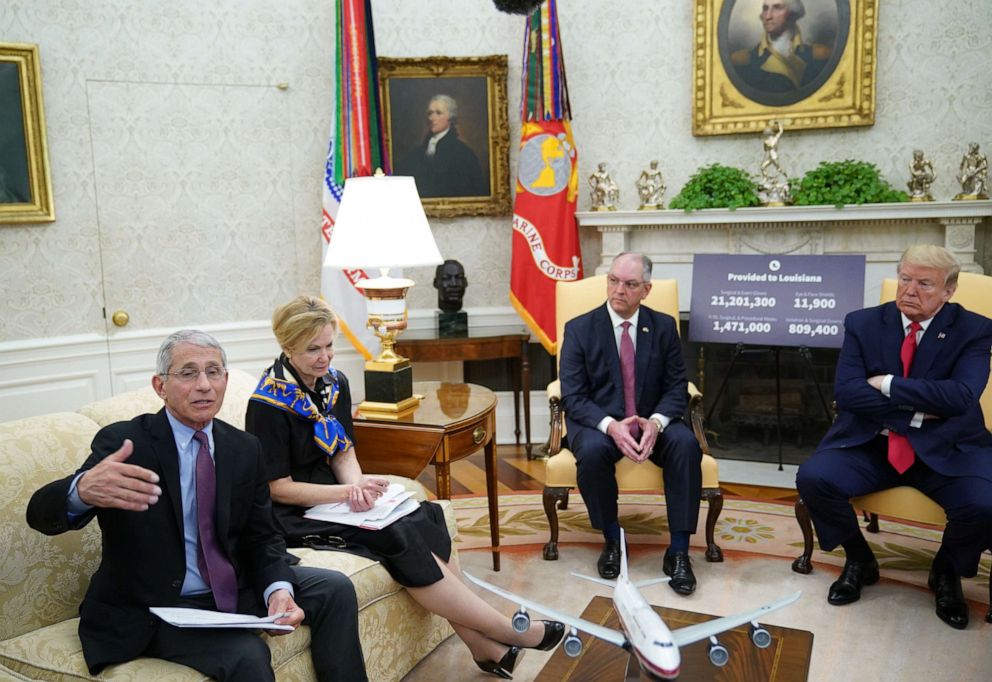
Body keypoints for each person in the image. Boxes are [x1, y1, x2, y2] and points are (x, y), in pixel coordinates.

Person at [244, 296, 564, 679]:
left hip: (335, 499)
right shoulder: (267, 404)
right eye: (313, 349)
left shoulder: (334, 383)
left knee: (419, 514)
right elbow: (277, 488)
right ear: (288, 346)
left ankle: (483, 647)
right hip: (296, 513)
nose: (325, 357)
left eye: (329, 345)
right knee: (396, 536)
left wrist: (357, 486)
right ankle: (506, 630)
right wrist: (345, 494)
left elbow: (343, 451)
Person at [25, 330, 366, 680]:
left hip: (227, 588)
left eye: (214, 372)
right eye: (188, 373)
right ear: (160, 386)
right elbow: (38, 513)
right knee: (247, 654)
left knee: (334, 588)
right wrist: (81, 490)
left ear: (226, 381)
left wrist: (278, 590)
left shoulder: (243, 448)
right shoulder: (127, 443)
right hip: (154, 606)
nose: (204, 384)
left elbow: (262, 537)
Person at [796, 245, 992, 630]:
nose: (909, 290)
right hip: (875, 444)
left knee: (984, 504)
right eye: (905, 279)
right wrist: (922, 408)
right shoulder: (863, 323)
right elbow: (848, 392)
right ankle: (859, 557)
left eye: (924, 284)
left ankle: (946, 569)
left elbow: (961, 397)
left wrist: (887, 384)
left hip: (947, 446)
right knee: (814, 477)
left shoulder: (976, 329)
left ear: (949, 290)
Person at [559, 254, 703, 595]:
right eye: (613, 280)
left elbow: (676, 385)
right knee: (592, 453)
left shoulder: (664, 326)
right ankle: (611, 539)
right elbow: (573, 396)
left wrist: (656, 422)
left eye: (629, 284)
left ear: (646, 290)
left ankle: (679, 552)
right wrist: (611, 425)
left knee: (686, 444)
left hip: (651, 417)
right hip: (600, 422)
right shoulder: (579, 329)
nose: (618, 289)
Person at [394, 94, 487, 198]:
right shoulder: (416, 153)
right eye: (430, 113)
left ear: (450, 118)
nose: (432, 118)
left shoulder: (463, 153)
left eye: (438, 113)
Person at [730, 0, 831, 93]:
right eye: (765, 8)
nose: (768, 16)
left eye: (777, 7)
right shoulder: (742, 61)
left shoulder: (819, 56)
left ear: (792, 13)